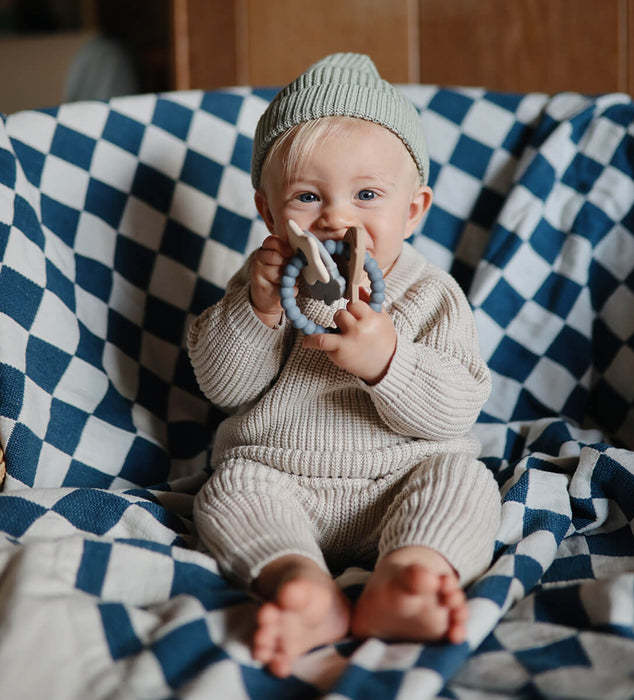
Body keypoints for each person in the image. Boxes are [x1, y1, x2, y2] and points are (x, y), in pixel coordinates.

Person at [187, 53, 501, 678]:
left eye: (366, 194)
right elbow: (223, 388)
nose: (337, 217)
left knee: (467, 483)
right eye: (308, 195)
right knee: (227, 490)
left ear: (413, 209)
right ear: (269, 213)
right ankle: (300, 584)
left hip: (401, 480)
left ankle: (410, 576)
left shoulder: (430, 292)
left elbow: (459, 407)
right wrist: (258, 310)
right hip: (282, 477)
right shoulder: (263, 284)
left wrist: (387, 361)